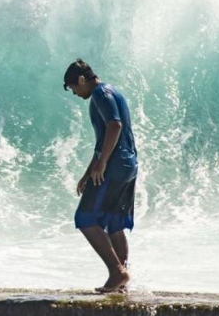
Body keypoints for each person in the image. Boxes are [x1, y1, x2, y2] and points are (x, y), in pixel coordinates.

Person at [63, 59, 138, 293]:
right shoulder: (113, 91)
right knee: (115, 224)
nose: (75, 92)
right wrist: (88, 172)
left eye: (73, 87)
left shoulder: (100, 94)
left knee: (86, 219)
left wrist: (103, 162)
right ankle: (121, 282)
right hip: (128, 165)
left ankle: (117, 272)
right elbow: (104, 138)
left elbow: (114, 126)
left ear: (82, 80)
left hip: (114, 166)